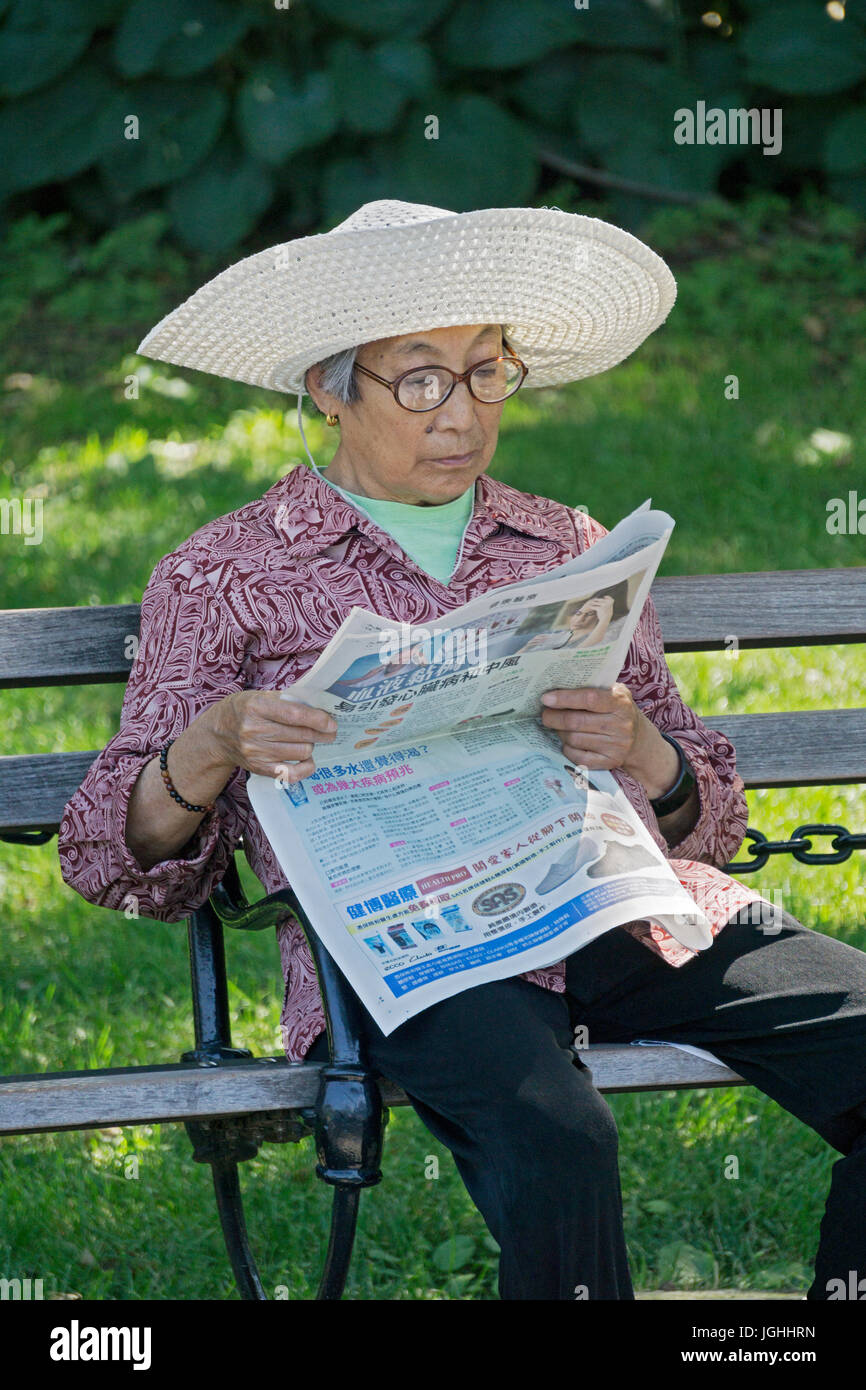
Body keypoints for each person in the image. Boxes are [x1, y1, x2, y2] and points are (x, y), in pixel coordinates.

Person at [57, 199, 866, 1301]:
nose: (462, 413)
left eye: (488, 372)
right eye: (421, 378)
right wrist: (209, 748)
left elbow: (706, 818)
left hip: (616, 903)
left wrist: (641, 747)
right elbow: (109, 856)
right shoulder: (226, 572)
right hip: (415, 938)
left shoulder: (565, 542)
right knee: (556, 1132)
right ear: (327, 390)